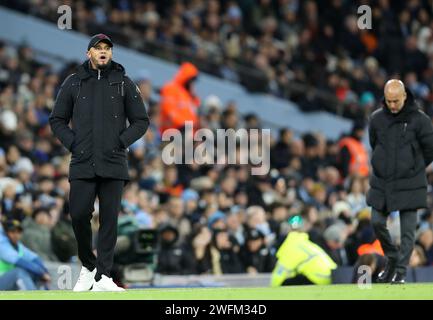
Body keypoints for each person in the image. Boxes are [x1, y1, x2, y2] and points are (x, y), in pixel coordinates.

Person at [49, 34, 150, 291]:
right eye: (98, 48)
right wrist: (73, 143)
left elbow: (141, 121)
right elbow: (57, 119)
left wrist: (121, 141)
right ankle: (88, 265)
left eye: (107, 48)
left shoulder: (124, 83)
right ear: (88, 54)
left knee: (109, 220)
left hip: (114, 162)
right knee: (79, 214)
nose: (103, 52)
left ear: (111, 54)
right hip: (82, 161)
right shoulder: (73, 83)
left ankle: (104, 276)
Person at [367, 79, 433, 284]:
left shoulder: (420, 120)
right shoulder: (376, 119)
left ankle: (401, 272)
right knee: (377, 222)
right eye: (388, 101)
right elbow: (374, 143)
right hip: (382, 181)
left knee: (407, 232)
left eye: (396, 100)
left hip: (410, 181)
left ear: (405, 96)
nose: (392, 105)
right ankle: (393, 259)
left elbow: (430, 149)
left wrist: (413, 167)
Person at [270, 215, 337, 286]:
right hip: (332, 277)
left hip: (319, 279)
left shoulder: (291, 245)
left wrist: (273, 288)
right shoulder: (307, 244)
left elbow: (281, 272)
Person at [0, 219, 51, 290]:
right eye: (12, 232)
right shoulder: (2, 244)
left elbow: (35, 258)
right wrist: (42, 273)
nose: (16, 235)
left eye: (18, 232)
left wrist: (45, 272)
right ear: (5, 233)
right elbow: (20, 262)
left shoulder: (18, 246)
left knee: (36, 275)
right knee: (19, 272)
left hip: (8, 282)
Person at [159, 62, 200, 134]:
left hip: (187, 135)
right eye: (191, 80)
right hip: (171, 133)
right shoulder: (171, 88)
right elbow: (169, 111)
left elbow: (194, 113)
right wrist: (183, 124)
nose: (193, 84)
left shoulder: (189, 95)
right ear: (187, 78)